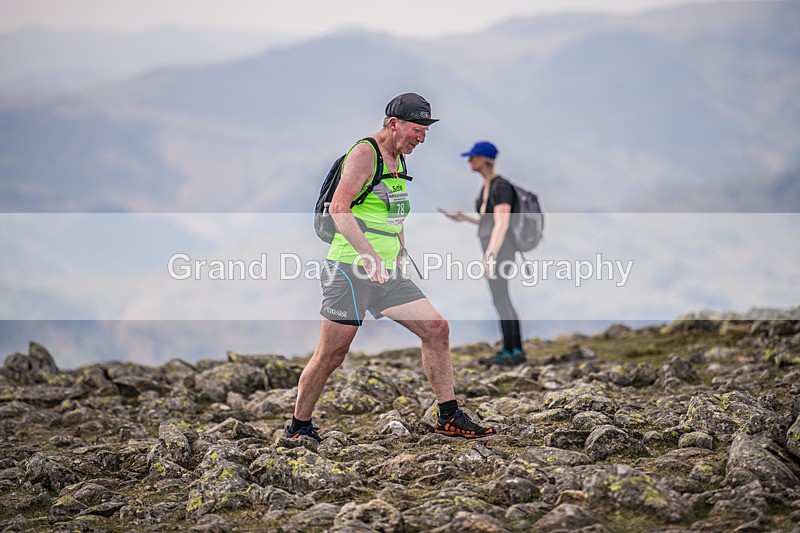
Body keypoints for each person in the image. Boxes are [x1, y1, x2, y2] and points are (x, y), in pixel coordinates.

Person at [286, 93, 496, 442]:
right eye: (418, 129)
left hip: (386, 273)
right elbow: (340, 208)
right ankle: (298, 426)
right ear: (393, 124)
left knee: (437, 329)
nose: (422, 137)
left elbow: (393, 215)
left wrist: (400, 252)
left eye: (426, 130)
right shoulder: (364, 153)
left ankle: (449, 415)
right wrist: (368, 255)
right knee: (332, 355)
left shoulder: (399, 160)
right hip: (350, 270)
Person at [443, 141, 526, 367]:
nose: (469, 161)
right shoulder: (488, 186)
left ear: (484, 159)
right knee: (500, 298)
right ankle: (511, 348)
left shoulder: (500, 187)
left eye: (473, 157)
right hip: (496, 249)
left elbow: (502, 224)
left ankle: (513, 350)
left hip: (501, 250)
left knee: (502, 298)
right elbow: (488, 222)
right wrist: (464, 218)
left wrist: (490, 255)